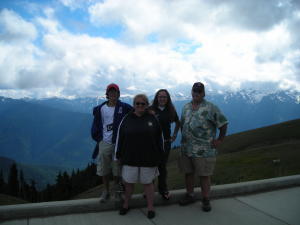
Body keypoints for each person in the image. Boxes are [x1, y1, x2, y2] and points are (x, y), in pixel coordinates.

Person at [178, 82, 228, 212]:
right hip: (186, 149)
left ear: (203, 93)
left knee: (204, 175)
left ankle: (206, 199)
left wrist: (220, 140)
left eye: (199, 92)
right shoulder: (186, 107)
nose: (196, 94)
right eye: (195, 91)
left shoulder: (211, 108)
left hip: (204, 150)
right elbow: (182, 124)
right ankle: (190, 195)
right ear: (191, 92)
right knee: (188, 173)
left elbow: (223, 124)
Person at [115, 94, 164, 219]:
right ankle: (126, 205)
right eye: (137, 103)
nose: (140, 106)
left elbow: (160, 139)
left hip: (149, 158)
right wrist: (118, 155)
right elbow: (120, 138)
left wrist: (160, 155)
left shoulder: (153, 119)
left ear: (147, 105)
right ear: (134, 105)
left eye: (143, 104)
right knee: (129, 183)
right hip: (130, 157)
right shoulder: (127, 119)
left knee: (148, 183)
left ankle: (150, 207)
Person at [91, 83, 132, 203]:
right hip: (105, 142)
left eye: (115, 92)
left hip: (119, 143)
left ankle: (117, 191)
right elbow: (96, 125)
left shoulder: (124, 107)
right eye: (111, 92)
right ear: (107, 94)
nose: (113, 94)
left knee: (117, 169)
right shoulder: (101, 109)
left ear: (118, 94)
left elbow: (136, 112)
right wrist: (99, 138)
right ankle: (106, 190)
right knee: (104, 169)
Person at [149, 89, 180, 200]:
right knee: (151, 166)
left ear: (168, 99)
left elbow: (178, 122)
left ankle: (163, 189)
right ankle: (149, 190)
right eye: (160, 96)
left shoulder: (170, 110)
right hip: (152, 143)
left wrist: (175, 135)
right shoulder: (150, 109)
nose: (162, 99)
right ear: (157, 98)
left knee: (162, 167)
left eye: (164, 97)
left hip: (166, 143)